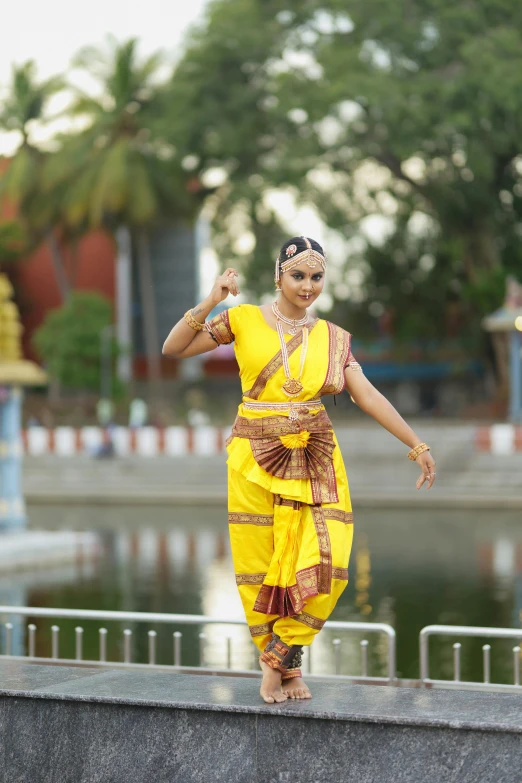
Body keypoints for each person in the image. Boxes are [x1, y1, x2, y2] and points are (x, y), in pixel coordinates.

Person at [162, 236, 436, 704]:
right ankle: (282, 668)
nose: (307, 286)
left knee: (325, 562)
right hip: (254, 456)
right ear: (278, 276)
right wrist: (212, 299)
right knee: (263, 564)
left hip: (317, 454)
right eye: (298, 275)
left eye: (316, 277)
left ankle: (281, 654)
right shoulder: (243, 320)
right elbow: (174, 349)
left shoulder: (332, 337)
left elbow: (366, 394)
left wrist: (416, 444)